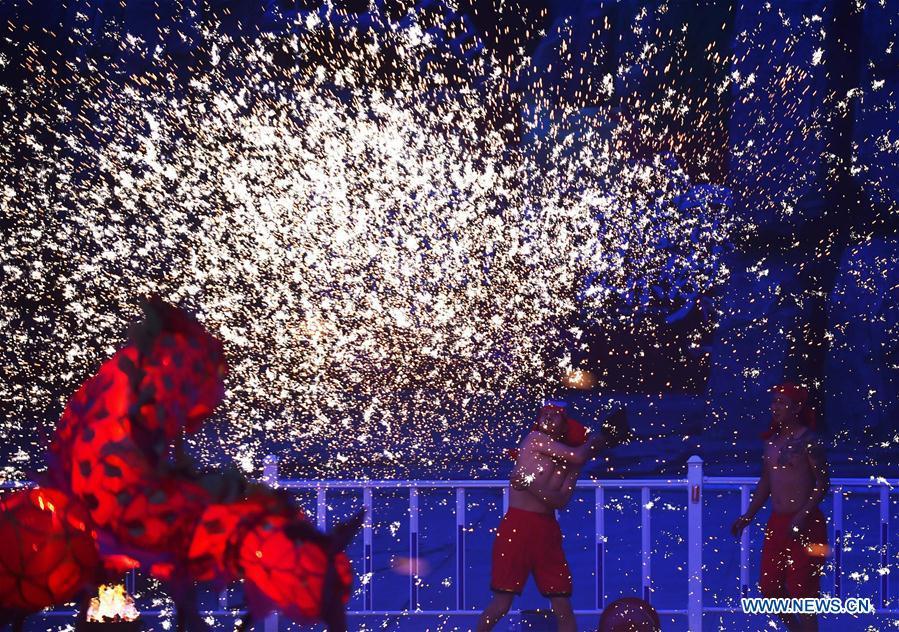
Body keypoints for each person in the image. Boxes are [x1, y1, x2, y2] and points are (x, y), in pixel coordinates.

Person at [476, 402, 628, 632]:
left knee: (561, 603)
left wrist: (531, 484)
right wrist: (600, 440)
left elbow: (560, 501)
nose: (547, 418)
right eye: (544, 414)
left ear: (564, 425)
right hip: (517, 526)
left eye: (554, 416)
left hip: (545, 530)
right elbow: (578, 456)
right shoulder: (534, 439)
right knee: (502, 602)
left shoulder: (569, 465)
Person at [731, 382, 830, 632]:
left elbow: (822, 483)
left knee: (804, 592)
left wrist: (803, 514)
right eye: (774, 401)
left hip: (808, 524)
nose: (775, 407)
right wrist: (749, 515)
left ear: (797, 407)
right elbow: (766, 481)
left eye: (782, 403)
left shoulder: (809, 441)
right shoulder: (772, 442)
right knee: (769, 587)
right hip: (777, 522)